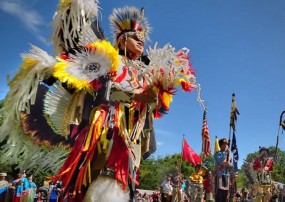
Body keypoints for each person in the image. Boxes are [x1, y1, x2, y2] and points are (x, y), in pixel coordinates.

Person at [0, 1, 199, 202]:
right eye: (136, 37)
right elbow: (102, 92)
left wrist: (156, 96)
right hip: (106, 126)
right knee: (98, 172)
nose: (141, 42)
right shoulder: (111, 60)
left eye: (143, 39)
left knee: (123, 179)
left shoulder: (143, 71)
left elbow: (153, 108)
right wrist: (132, 96)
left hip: (132, 135)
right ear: (122, 40)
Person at [214, 138, 232, 202]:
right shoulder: (217, 153)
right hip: (220, 176)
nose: (225, 146)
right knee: (219, 193)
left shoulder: (228, 155)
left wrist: (229, 164)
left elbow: (229, 164)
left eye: (226, 144)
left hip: (226, 175)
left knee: (225, 194)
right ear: (220, 145)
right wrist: (225, 153)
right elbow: (220, 160)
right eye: (224, 144)